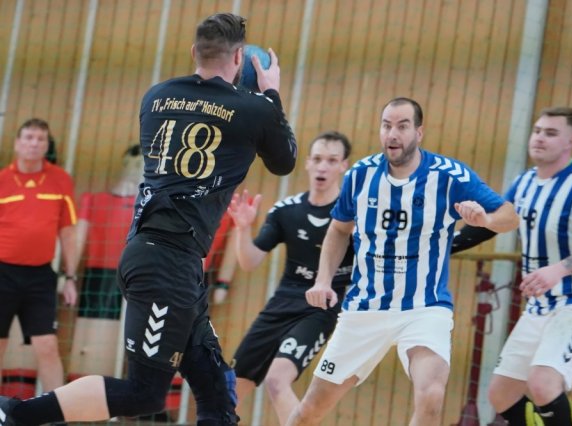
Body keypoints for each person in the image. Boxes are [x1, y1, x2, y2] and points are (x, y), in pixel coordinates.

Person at [0, 12, 297, 426]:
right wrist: (270, 95)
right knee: (144, 392)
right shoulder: (254, 109)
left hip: (162, 259)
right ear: (239, 58)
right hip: (166, 267)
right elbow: (284, 161)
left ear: (194, 51)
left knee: (215, 389)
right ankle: (14, 413)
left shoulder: (156, 96)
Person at [286, 97, 520, 426]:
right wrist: (323, 280)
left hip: (424, 307)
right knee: (310, 410)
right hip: (365, 307)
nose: (392, 134)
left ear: (419, 133)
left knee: (431, 394)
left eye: (402, 126)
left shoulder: (449, 175)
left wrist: (486, 220)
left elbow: (510, 216)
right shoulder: (360, 175)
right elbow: (338, 230)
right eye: (386, 126)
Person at [452, 107, 572, 426]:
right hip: (540, 305)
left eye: (551, 133)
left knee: (543, 383)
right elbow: (496, 223)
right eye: (537, 131)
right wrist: (446, 246)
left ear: (570, 141)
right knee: (501, 394)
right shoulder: (524, 183)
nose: (540, 138)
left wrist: (558, 270)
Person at [227, 131, 353, 425]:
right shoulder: (286, 211)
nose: (323, 167)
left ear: (343, 166)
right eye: (317, 159)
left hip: (321, 307)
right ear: (307, 163)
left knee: (276, 379)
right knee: (231, 387)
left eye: (331, 160)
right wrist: (243, 229)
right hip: (282, 302)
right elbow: (249, 261)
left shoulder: (352, 215)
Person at [0, 118, 78, 393]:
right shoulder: (2, 180)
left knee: (47, 346)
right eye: (29, 137)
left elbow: (67, 232)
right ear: (17, 143)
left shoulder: (61, 180)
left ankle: (57, 410)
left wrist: (70, 278)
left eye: (40, 139)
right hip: (3, 274)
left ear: (47, 145)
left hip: (40, 276)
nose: (34, 143)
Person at [68, 145, 143, 379]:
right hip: (99, 278)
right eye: (136, 163)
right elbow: (77, 239)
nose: (138, 169)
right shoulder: (95, 200)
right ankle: (84, 394)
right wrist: (67, 275)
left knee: (129, 346)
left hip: (138, 280)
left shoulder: (149, 206)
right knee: (92, 344)